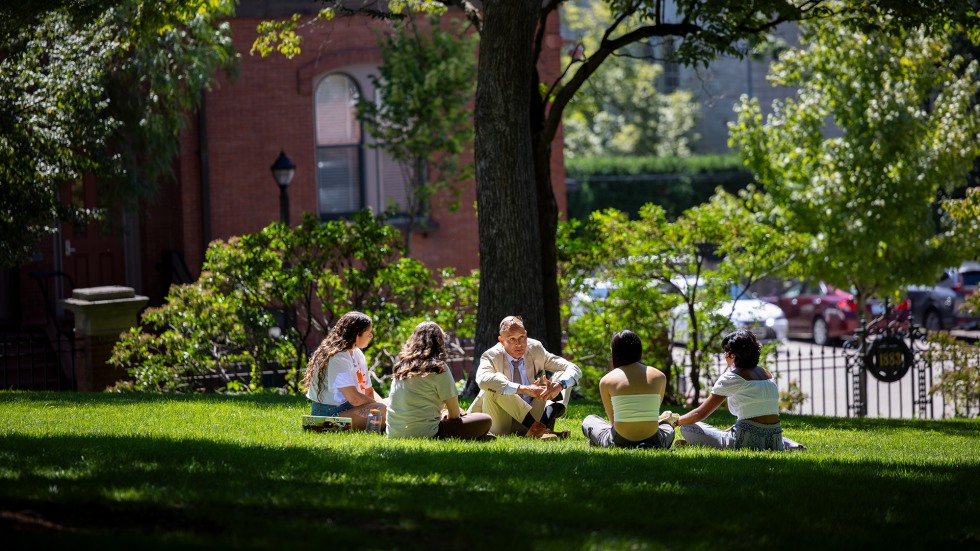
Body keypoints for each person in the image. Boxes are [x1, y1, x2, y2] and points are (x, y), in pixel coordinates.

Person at [674, 329, 803, 451]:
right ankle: (786, 444)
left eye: (726, 351)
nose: (724, 355)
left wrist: (675, 421)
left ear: (734, 355)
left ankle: (700, 442)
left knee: (687, 427)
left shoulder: (732, 377)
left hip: (744, 441)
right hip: (774, 439)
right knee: (721, 432)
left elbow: (699, 414)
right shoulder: (767, 374)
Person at [467, 315, 581, 439]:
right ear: (501, 340)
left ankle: (541, 428)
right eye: (511, 339)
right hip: (502, 422)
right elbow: (482, 380)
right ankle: (539, 431)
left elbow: (573, 368)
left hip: (534, 415)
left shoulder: (535, 348)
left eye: (522, 337)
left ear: (526, 334)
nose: (519, 344)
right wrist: (523, 389)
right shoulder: (491, 355)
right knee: (496, 382)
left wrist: (559, 384)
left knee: (562, 377)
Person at [386, 321, 494, 440]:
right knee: (485, 419)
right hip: (426, 433)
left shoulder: (401, 367)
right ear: (439, 343)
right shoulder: (438, 368)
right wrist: (449, 413)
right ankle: (479, 436)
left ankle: (479, 437)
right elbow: (454, 415)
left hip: (394, 433)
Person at [581, 330, 675, 449]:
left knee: (589, 420)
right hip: (654, 440)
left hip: (619, 441)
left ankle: (597, 443)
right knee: (668, 427)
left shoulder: (606, 380)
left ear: (615, 353)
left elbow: (613, 423)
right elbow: (652, 414)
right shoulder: (660, 376)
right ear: (639, 350)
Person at [304, 311, 387, 431]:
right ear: (356, 335)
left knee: (389, 403)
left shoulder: (357, 353)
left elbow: (368, 392)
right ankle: (320, 427)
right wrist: (381, 408)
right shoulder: (337, 357)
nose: (371, 336)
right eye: (369, 333)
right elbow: (354, 398)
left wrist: (387, 407)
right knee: (382, 410)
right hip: (327, 416)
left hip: (349, 409)